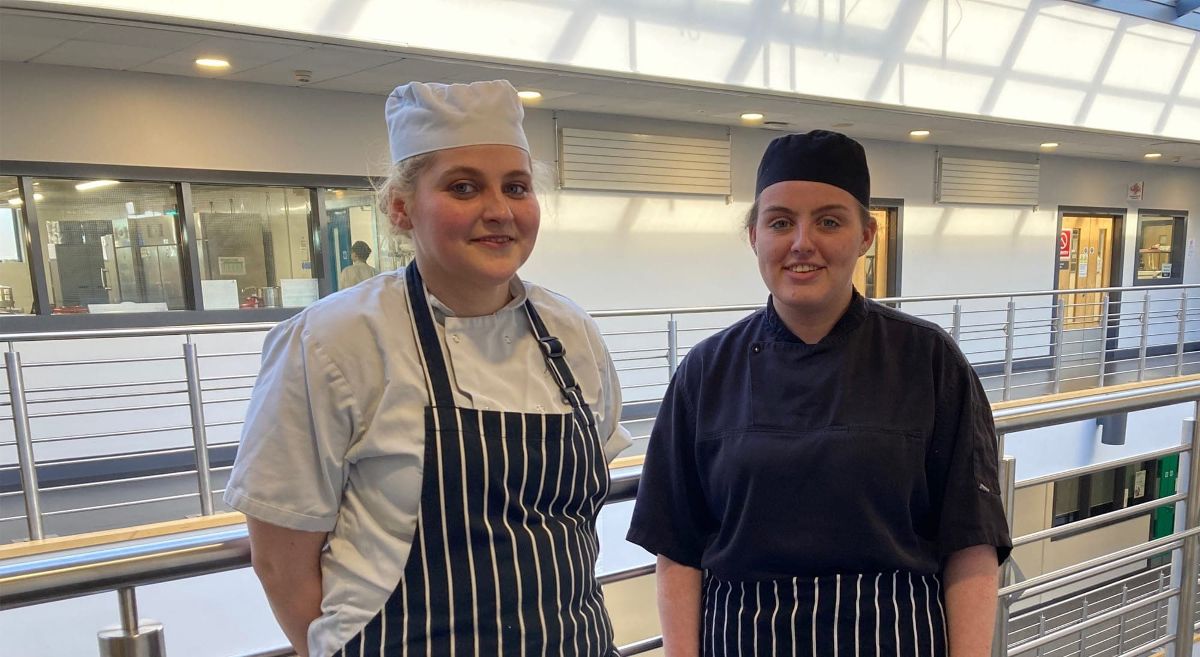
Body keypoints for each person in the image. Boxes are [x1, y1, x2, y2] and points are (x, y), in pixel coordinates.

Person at [224, 80, 632, 657]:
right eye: (463, 187)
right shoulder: (333, 340)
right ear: (400, 208)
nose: (499, 211)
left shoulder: (570, 332)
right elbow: (279, 559)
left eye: (515, 187)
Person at [626, 130, 1012, 657]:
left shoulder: (929, 360)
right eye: (780, 222)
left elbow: (970, 542)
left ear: (866, 235)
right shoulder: (705, 372)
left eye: (829, 221)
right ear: (755, 236)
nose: (801, 243)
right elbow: (679, 551)